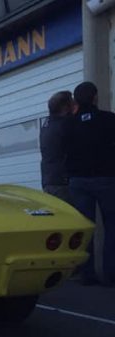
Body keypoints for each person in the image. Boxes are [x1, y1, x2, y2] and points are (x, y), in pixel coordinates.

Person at [67, 81, 115, 285]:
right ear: (95, 97)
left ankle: (87, 274)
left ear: (76, 101)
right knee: (112, 226)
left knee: (85, 228)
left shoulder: (69, 124)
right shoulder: (109, 119)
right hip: (106, 179)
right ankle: (111, 274)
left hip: (78, 181)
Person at [39, 91, 73, 202]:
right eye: (72, 102)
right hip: (61, 181)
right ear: (65, 107)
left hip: (49, 180)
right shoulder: (65, 124)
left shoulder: (47, 124)